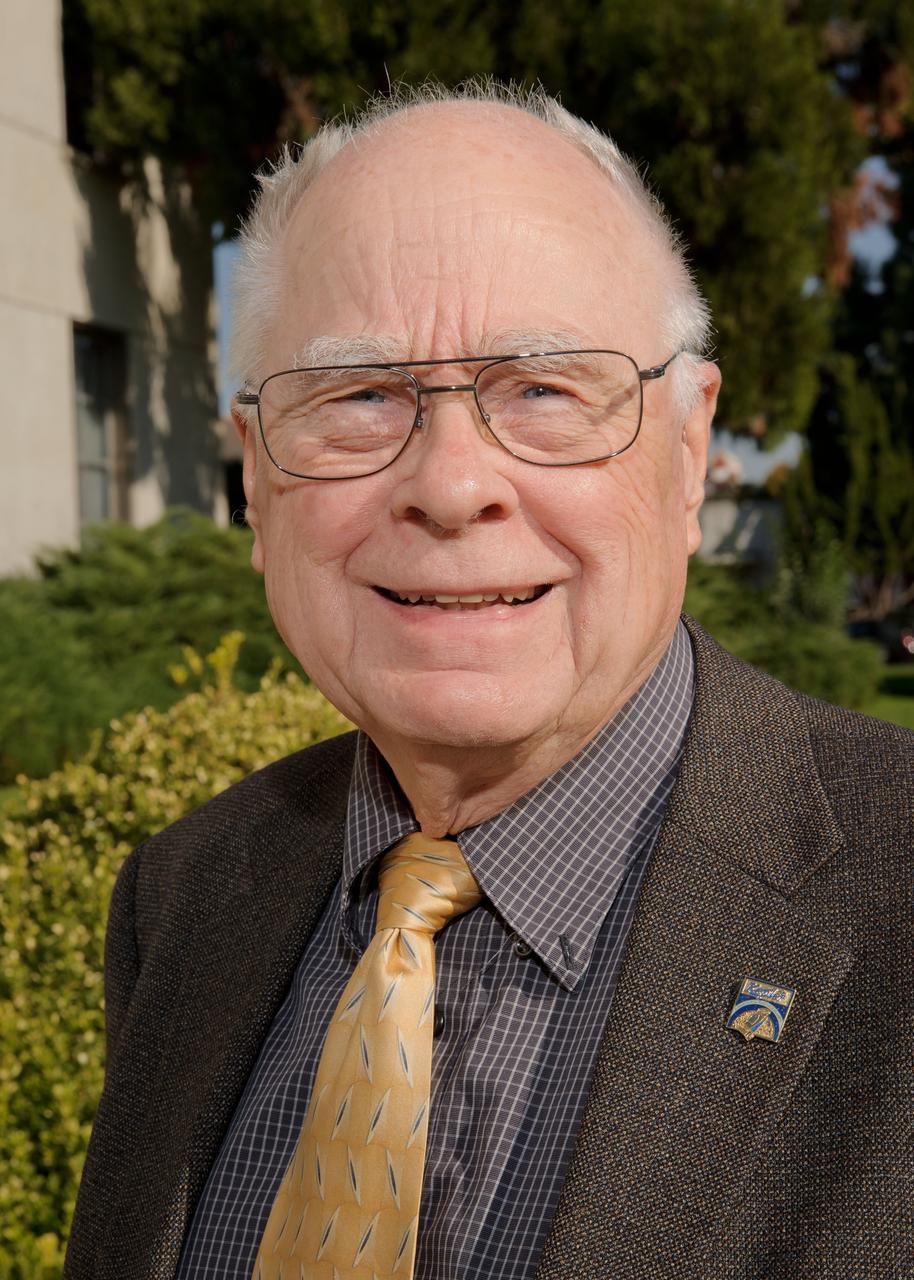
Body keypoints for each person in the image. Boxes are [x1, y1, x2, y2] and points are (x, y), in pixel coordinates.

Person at [64, 83, 913, 1280]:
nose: (451, 484)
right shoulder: (184, 894)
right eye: (360, 396)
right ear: (255, 481)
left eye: (544, 390)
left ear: (685, 454)